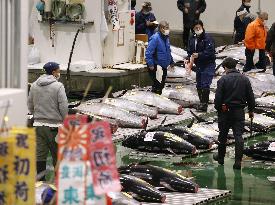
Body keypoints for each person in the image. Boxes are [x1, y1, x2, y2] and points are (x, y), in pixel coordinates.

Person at [28, 62, 68, 180]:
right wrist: (64, 120)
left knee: (40, 155)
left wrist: (37, 115)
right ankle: (58, 183)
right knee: (57, 155)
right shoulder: (58, 86)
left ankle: (40, 181)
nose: (59, 73)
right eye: (58, 71)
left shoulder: (34, 85)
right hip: (54, 127)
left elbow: (30, 105)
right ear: (54, 72)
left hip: (38, 126)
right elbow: (64, 107)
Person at [214, 57, 255, 170]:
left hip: (225, 112)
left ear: (226, 67)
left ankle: (221, 158)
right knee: (238, 136)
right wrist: (251, 110)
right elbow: (251, 97)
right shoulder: (244, 79)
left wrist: (219, 109)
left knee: (222, 136)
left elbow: (218, 99)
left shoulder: (222, 80)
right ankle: (237, 162)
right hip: (239, 112)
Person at [186, 20, 216, 112]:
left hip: (208, 64)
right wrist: (188, 58)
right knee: (199, 84)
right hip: (198, 64)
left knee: (205, 84)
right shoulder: (192, 38)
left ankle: (204, 105)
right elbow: (190, 50)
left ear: (202, 27)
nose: (198, 29)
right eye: (196, 28)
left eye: (199, 27)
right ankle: (201, 102)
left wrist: (199, 55)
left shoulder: (208, 38)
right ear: (193, 29)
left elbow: (210, 52)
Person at [145, 21, 174, 94]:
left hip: (163, 65)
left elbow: (168, 51)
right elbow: (149, 52)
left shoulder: (166, 38)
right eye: (166, 28)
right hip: (156, 65)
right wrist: (150, 64)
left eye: (168, 27)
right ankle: (155, 99)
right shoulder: (155, 38)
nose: (168, 29)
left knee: (161, 84)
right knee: (158, 85)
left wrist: (171, 62)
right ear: (161, 28)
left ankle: (158, 98)